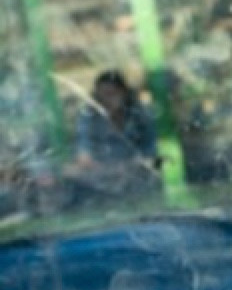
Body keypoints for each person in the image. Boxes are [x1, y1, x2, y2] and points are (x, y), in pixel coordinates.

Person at [35, 70, 159, 210]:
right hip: (102, 178)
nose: (107, 101)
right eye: (101, 97)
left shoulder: (140, 116)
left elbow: (151, 154)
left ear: (124, 93)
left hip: (138, 177)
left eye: (112, 94)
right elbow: (84, 157)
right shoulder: (90, 118)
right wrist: (109, 169)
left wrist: (133, 165)